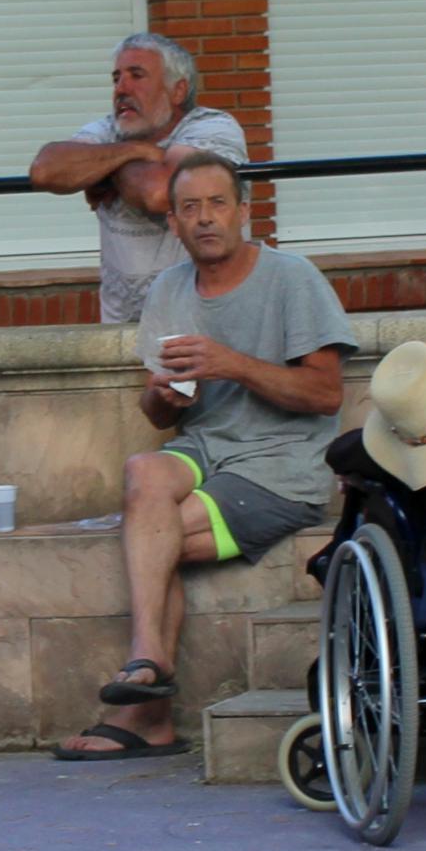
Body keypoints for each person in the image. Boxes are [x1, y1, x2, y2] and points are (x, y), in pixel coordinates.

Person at [59, 153, 353, 761]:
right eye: (189, 207)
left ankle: (147, 707)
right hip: (203, 450)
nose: (205, 218)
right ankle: (151, 662)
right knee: (144, 472)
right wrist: (160, 397)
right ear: (173, 222)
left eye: (218, 203)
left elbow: (326, 394)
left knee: (152, 535)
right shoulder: (169, 288)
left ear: (244, 211)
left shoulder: (291, 278)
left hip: (280, 466)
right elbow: (160, 413)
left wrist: (232, 364)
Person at [29, 32, 252, 324]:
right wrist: (137, 151)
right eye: (116, 78)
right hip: (123, 333)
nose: (122, 88)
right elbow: (45, 171)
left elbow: (160, 193)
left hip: (204, 327)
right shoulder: (110, 130)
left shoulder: (212, 127)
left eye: (137, 75)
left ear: (178, 91)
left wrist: (106, 170)